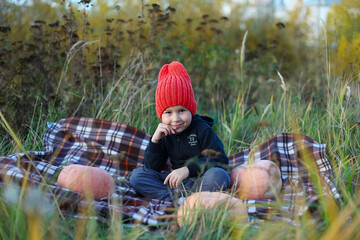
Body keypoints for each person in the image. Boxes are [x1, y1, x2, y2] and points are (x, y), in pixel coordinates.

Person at [129, 61, 230, 202]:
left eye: (181, 110)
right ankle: (175, 200)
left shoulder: (202, 129)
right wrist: (155, 142)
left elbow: (220, 161)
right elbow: (153, 168)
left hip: (200, 181)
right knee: (137, 176)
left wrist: (188, 169)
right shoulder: (165, 133)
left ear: (191, 109)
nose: (175, 119)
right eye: (168, 113)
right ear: (161, 115)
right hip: (173, 184)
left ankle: (191, 199)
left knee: (219, 175)